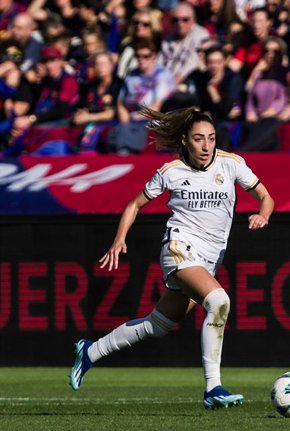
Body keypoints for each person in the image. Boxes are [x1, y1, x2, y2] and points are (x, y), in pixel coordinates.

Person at [69, 106, 275, 410]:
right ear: (184, 141)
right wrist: (119, 239)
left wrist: (263, 214)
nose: (206, 146)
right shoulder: (171, 171)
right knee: (219, 302)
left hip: (208, 258)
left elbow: (266, 197)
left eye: (211, 138)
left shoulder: (232, 164)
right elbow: (133, 205)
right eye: (198, 139)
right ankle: (213, 388)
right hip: (179, 249)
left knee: (158, 325)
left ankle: (90, 351)